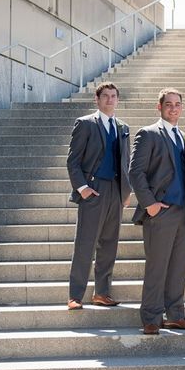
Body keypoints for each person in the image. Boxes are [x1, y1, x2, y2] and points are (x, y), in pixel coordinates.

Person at [129, 88, 185, 335]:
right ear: (158, 107)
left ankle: (175, 315)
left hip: (183, 213)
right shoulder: (148, 134)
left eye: (177, 104)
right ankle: (151, 317)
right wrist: (149, 204)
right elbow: (135, 172)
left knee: (178, 267)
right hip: (159, 212)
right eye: (168, 104)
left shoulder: (182, 137)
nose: (173, 108)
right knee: (157, 266)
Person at [66, 82, 130, 310]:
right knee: (85, 244)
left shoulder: (123, 127)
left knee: (109, 244)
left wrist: (126, 191)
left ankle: (102, 292)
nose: (110, 100)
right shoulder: (85, 124)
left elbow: (126, 163)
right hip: (93, 190)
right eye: (105, 96)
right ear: (97, 99)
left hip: (115, 191)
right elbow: (73, 161)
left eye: (114, 96)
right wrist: (82, 188)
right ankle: (75, 295)